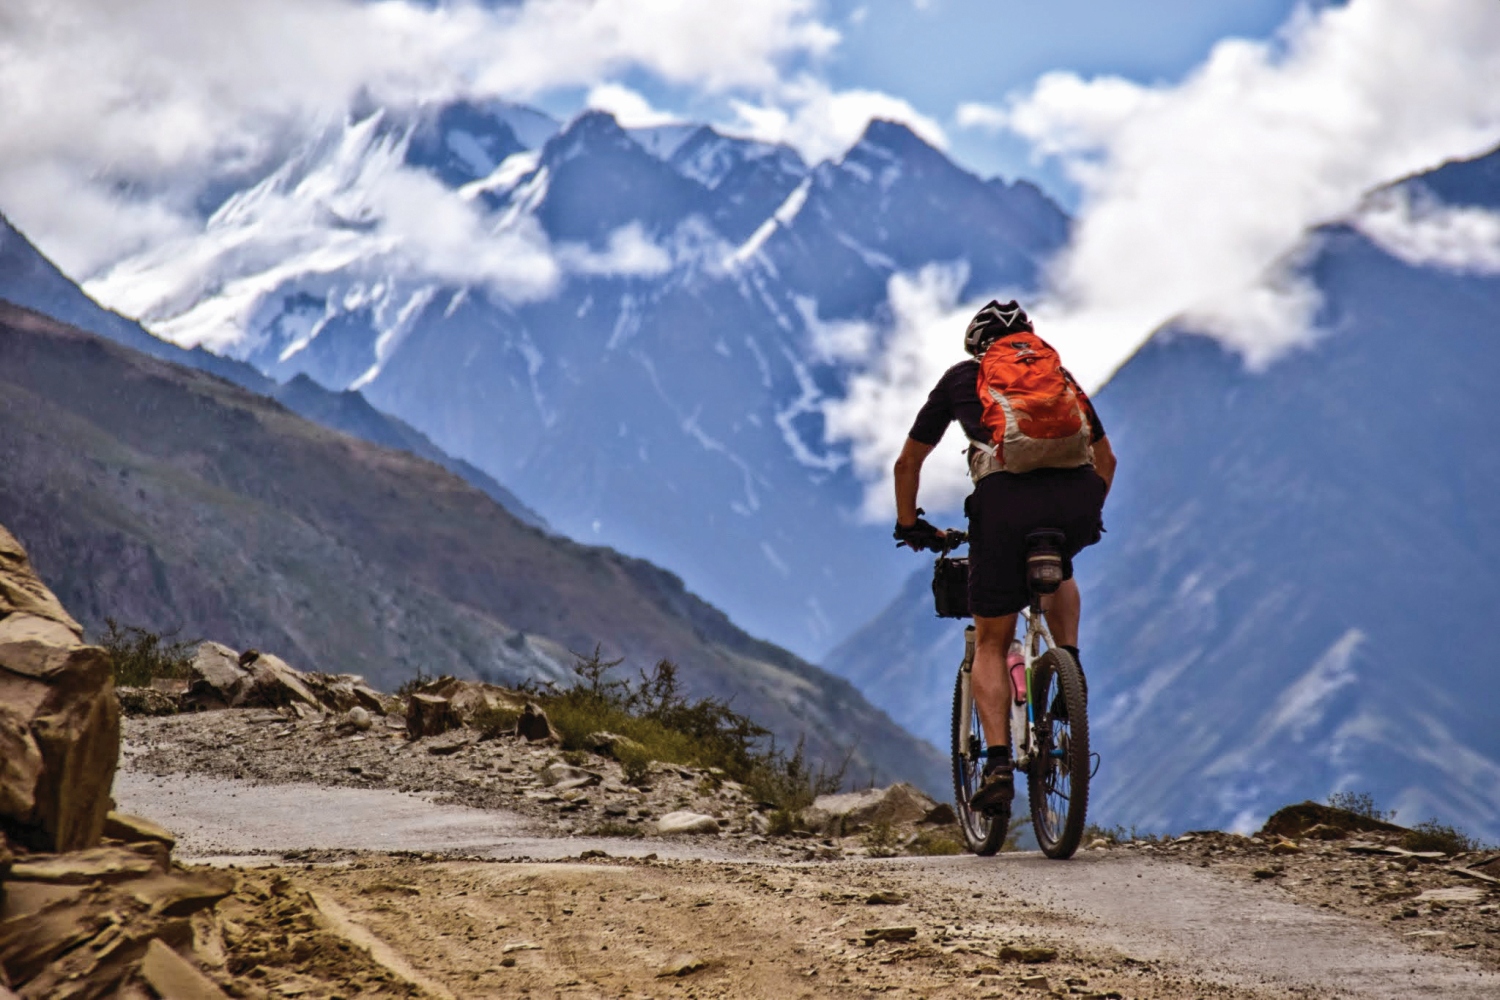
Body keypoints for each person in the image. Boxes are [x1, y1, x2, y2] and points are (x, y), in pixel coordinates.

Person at [891, 300, 1116, 810]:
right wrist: (1086, 513)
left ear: (977, 347)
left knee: (992, 641)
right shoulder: (1058, 378)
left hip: (1004, 506)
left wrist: (909, 524)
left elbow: (909, 462)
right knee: (1060, 565)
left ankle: (996, 764)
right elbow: (1107, 459)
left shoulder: (961, 379)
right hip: (1076, 499)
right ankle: (1070, 663)